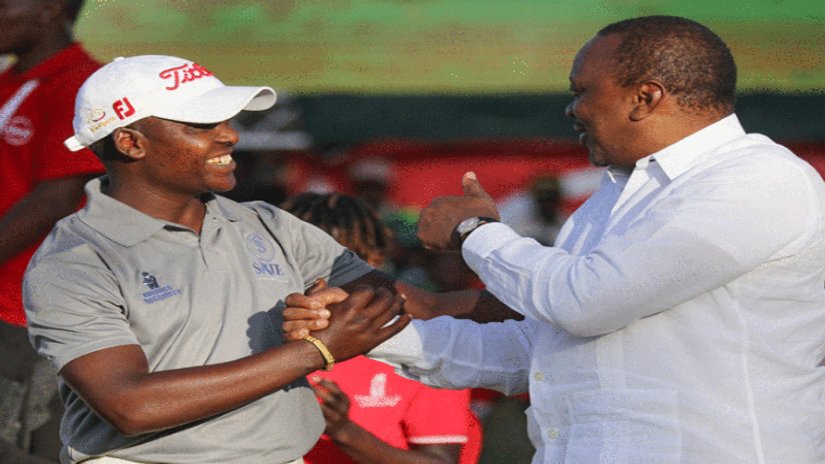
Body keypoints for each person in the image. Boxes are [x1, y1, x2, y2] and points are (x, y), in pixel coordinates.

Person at [283, 15, 825, 463]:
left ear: (645, 97)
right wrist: (364, 332)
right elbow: (535, 350)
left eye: (583, 92)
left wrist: (474, 232)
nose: (572, 110)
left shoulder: (757, 180)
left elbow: (585, 301)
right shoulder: (612, 198)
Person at [21, 54, 410, 464]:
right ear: (131, 142)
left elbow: (397, 297)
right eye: (202, 124)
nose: (230, 136)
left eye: (226, 120)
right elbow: (131, 406)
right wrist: (317, 349)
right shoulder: (73, 261)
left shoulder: (268, 222)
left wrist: (332, 307)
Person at [281, 192, 481, 464]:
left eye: (331, 265)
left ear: (372, 262)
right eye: (297, 262)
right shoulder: (255, 334)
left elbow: (441, 460)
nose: (314, 282)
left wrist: (344, 431)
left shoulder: (422, 346)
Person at [0, 0, 104, 460]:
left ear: (49, 9)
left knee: (25, 439)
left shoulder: (81, 84)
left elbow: (56, 197)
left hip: (29, 302)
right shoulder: (12, 81)